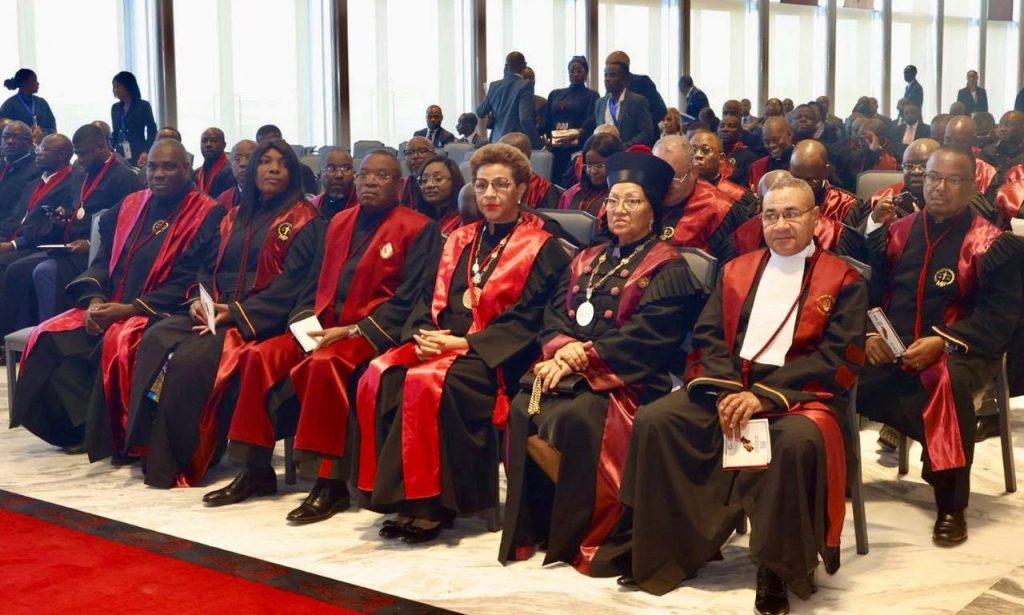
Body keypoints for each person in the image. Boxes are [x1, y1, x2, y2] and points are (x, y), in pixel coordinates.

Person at [600, 176, 867, 615]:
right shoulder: (736, 270)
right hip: (728, 386)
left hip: (799, 396)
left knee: (793, 443)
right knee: (658, 420)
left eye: (792, 214)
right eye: (771, 215)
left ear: (815, 218)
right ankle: (672, 549)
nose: (781, 225)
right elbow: (706, 336)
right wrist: (727, 389)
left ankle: (776, 568)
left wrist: (764, 397)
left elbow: (839, 357)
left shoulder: (844, 279)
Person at [204, 150, 440, 520]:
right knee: (257, 355)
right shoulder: (337, 222)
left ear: (399, 184)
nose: (370, 181)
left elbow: (411, 299)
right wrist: (304, 323)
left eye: (381, 176)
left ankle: (330, 484)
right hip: (323, 327)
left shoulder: (419, 228)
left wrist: (352, 330)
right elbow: (311, 285)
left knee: (326, 364)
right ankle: (255, 469)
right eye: (364, 174)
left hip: (370, 333)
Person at [499, 150, 704, 574]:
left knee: (575, 417)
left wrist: (581, 359)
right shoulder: (585, 258)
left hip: (631, 377)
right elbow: (553, 316)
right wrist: (563, 351)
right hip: (574, 370)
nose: (619, 209)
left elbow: (648, 338)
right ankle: (540, 524)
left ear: (653, 210)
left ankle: (588, 529)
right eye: (613, 200)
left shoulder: (669, 266)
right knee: (522, 408)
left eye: (632, 201)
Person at [355, 143, 569, 544]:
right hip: (442, 342)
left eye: (501, 184)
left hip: (496, 356)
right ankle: (403, 497)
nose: (489, 194)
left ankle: (435, 506)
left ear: (522, 189)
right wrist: (422, 335)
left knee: (437, 384)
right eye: (482, 185)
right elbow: (425, 296)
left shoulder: (543, 246)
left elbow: (529, 319)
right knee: (383, 374)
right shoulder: (457, 238)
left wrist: (461, 343)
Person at [122, 139, 325, 489]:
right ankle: (147, 446)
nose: (273, 169)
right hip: (215, 308)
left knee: (191, 358)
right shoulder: (234, 217)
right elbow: (206, 267)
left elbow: (293, 285)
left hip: (263, 317)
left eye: (281, 163)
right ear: (253, 169)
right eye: (265, 162)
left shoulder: (305, 220)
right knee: (156, 337)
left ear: (293, 173)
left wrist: (234, 313)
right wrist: (199, 301)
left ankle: (182, 459)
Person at [10, 140, 224, 455]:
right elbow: (103, 261)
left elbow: (192, 279)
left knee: (118, 342)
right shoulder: (131, 205)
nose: (158, 174)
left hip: (159, 311)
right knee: (46, 337)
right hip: (111, 303)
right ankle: (83, 426)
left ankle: (112, 431)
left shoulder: (207, 214)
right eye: (153, 167)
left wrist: (128, 309)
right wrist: (95, 299)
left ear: (186, 169)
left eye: (169, 167)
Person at [858, 146, 1022, 546]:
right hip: (894, 345)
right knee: (833, 367)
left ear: (972, 186)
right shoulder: (897, 233)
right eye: (933, 177)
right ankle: (837, 474)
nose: (939, 187)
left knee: (947, 383)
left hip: (962, 349)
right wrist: (870, 335)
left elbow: (999, 319)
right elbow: (869, 296)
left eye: (952, 180)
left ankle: (951, 503)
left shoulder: (991, 243)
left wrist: (943, 342)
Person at [0, 124, 142, 338]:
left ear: (101, 146)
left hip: (100, 252)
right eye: (77, 154)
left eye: (83, 154)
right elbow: (75, 208)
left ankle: (50, 336)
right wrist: (64, 215)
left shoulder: (124, 177)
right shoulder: (80, 174)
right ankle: (16, 335)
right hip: (68, 245)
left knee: (42, 271)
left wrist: (91, 244)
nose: (80, 159)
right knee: (18, 268)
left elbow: (132, 223)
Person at [733, 145, 866, 259]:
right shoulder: (747, 230)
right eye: (796, 177)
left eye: (810, 180)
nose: (802, 184)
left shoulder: (845, 207)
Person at [654, 135, 751, 262]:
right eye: (657, 178)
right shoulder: (645, 199)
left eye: (674, 179)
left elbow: (732, 265)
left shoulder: (719, 209)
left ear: (694, 172)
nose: (663, 185)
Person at [0, 133, 73, 270]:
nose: (37, 152)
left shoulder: (72, 185)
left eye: (44, 149)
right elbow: (15, 216)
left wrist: (14, 244)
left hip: (35, 245)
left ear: (61, 155)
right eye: (38, 147)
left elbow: (50, 229)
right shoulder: (34, 183)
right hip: (13, 239)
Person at [543, 56, 600, 188]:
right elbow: (547, 120)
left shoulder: (591, 95)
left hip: (577, 145)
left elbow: (592, 120)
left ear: (586, 73)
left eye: (579, 71)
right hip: (556, 146)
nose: (575, 74)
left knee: (572, 182)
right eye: (572, 71)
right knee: (554, 182)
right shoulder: (555, 94)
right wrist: (546, 140)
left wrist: (578, 133)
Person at [477, 52, 541, 148]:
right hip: (516, 144)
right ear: (524, 65)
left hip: (496, 142)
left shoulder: (494, 86)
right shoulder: (526, 85)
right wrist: (538, 144)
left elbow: (480, 111)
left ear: (506, 67)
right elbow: (525, 119)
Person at [687, 129, 758, 217]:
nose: (698, 155)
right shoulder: (680, 191)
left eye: (705, 150)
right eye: (693, 150)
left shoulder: (739, 196)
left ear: (721, 158)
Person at [557, 133, 624, 219]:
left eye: (599, 166)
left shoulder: (623, 198)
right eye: (589, 166)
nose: (593, 171)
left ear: (616, 163)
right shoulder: (573, 193)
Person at [605, 51, 667, 139]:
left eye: (612, 65)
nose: (608, 69)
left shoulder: (642, 82)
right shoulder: (610, 88)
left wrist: (643, 123)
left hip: (643, 139)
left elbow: (660, 109)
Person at [594, 60, 654, 149]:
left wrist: (624, 147)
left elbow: (646, 133)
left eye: (612, 75)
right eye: (605, 75)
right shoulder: (599, 103)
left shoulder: (638, 101)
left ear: (625, 79)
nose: (607, 79)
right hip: (605, 153)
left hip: (629, 153)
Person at [499, 132, 562, 208]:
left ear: (522, 158)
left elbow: (547, 215)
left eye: (504, 156)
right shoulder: (492, 184)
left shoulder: (544, 190)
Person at [109, 71, 157, 167]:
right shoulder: (115, 107)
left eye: (118, 86)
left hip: (139, 152)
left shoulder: (143, 106)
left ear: (128, 86)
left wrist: (146, 151)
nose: (115, 90)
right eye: (114, 87)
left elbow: (152, 131)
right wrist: (110, 149)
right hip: (120, 152)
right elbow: (115, 132)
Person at [943, 115, 998, 196]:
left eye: (960, 141)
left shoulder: (987, 173)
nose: (953, 145)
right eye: (948, 140)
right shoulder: (935, 166)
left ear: (973, 141)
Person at [255, 124, 318, 194]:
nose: (274, 169)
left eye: (275, 142)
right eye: (265, 144)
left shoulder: (302, 170)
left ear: (283, 142)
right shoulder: (254, 170)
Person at [410, 155, 465, 234]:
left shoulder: (463, 219)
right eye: (424, 180)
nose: (429, 185)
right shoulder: (415, 216)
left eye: (438, 179)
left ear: (454, 181)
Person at [0, 121, 42, 221]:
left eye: (17, 137)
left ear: (30, 143)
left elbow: (19, 214)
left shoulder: (36, 171)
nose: (10, 141)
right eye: (6, 137)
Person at [0, 69, 56, 139]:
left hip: (42, 144)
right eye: (34, 80)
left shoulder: (42, 103)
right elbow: (3, 132)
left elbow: (53, 129)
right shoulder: (9, 105)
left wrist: (42, 132)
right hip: (19, 144)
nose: (38, 83)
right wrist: (26, 132)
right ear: (23, 83)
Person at [747, 116, 794, 193]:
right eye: (767, 142)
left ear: (789, 135)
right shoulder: (757, 167)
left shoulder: (802, 162)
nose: (772, 145)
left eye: (776, 139)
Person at [312, 147, 357, 219]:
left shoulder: (363, 207)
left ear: (354, 173)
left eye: (346, 168)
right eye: (331, 168)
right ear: (320, 175)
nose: (339, 175)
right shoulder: (313, 206)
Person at [980, 111, 1024, 180]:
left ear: (1022, 128)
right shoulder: (988, 152)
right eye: (1000, 125)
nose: (1002, 129)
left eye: (1008, 125)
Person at [192, 128, 234, 197]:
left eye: (214, 141)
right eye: (204, 141)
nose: (208, 145)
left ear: (224, 145)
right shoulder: (196, 173)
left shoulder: (231, 172)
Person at [718, 114, 759, 182]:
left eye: (731, 126)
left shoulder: (748, 157)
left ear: (740, 133)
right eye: (721, 126)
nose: (725, 129)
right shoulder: (712, 153)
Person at [217, 139, 256, 209]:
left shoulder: (269, 196)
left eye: (249, 158)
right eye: (237, 159)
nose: (243, 164)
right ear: (230, 163)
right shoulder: (222, 199)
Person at [400, 136, 436, 205]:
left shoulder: (443, 184)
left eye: (422, 151)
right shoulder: (400, 185)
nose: (415, 156)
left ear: (434, 155)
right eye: (409, 152)